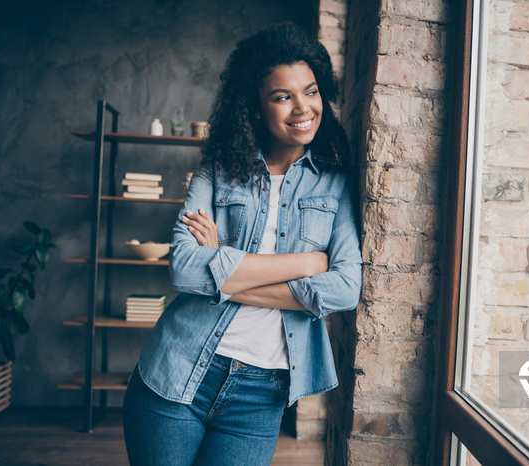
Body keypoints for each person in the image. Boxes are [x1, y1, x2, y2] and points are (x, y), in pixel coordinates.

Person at [122, 22, 362, 466]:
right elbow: (185, 270)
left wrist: (225, 274)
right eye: (281, 96)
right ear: (255, 106)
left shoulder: (336, 186)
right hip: (177, 371)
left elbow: (345, 287)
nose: (301, 108)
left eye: (310, 92)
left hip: (261, 392)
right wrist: (308, 262)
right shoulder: (218, 170)